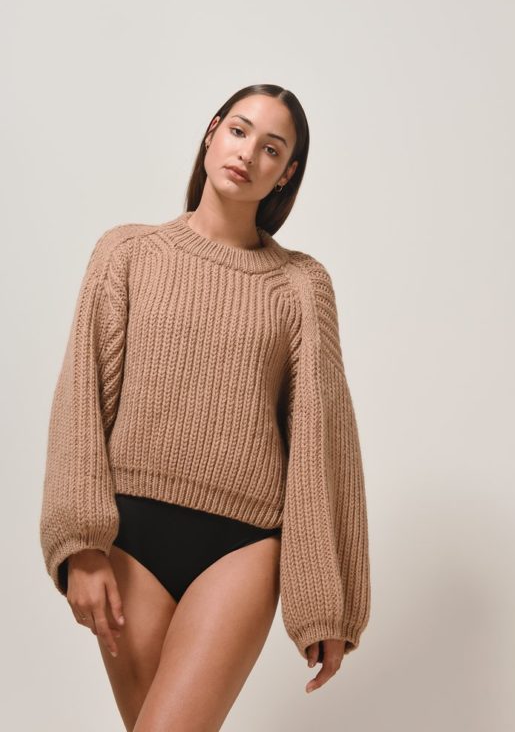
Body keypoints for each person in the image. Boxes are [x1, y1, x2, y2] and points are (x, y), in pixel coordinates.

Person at [39, 83, 371, 730]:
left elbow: (322, 441)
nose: (248, 153)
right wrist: (80, 545)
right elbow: (80, 400)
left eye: (271, 148)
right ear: (213, 132)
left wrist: (329, 603)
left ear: (286, 172)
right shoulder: (126, 253)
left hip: (242, 547)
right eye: (240, 131)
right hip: (130, 538)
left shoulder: (301, 286)